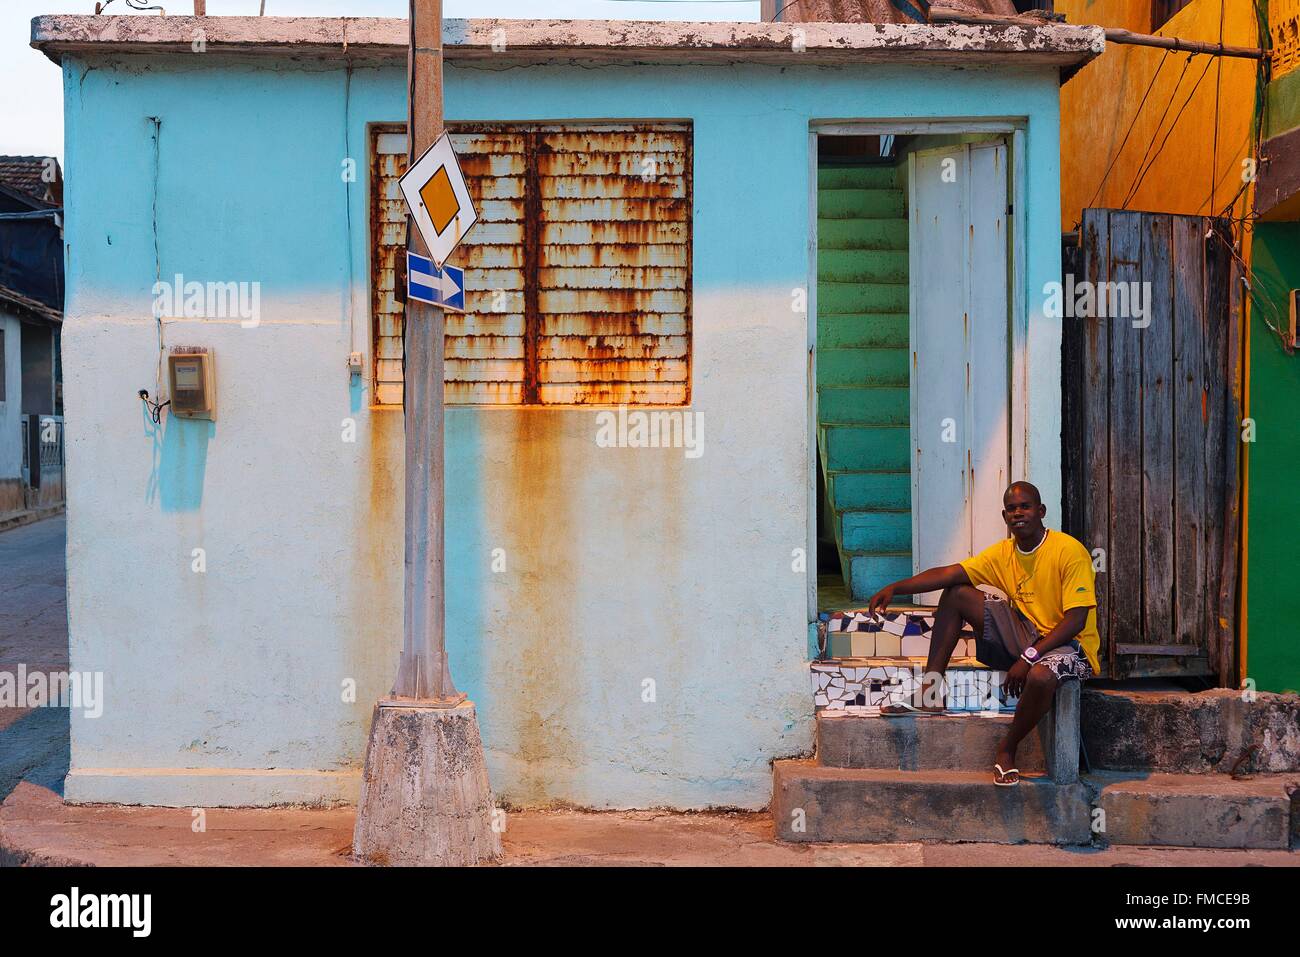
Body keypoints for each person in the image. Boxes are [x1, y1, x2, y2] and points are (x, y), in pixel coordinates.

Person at [866, 481, 1099, 786]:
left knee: (1041, 677)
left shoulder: (1069, 551)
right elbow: (948, 574)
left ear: (1041, 511)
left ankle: (1007, 749)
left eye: (1025, 507)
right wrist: (896, 588)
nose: (1018, 513)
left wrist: (1030, 658)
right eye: (1012, 509)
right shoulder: (1004, 554)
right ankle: (930, 692)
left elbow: (1076, 621)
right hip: (1028, 634)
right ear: (1005, 517)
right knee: (956, 593)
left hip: (1069, 646)